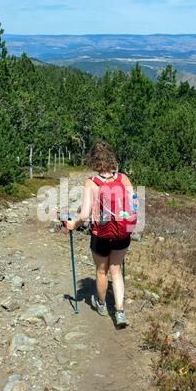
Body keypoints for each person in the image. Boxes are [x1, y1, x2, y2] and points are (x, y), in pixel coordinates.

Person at [67, 141, 135, 328]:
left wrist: (74, 223)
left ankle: (102, 304)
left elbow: (85, 215)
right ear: (111, 158)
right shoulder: (124, 179)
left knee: (101, 270)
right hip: (122, 233)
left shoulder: (92, 182)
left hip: (100, 233)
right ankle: (120, 312)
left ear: (93, 160)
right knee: (116, 269)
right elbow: (133, 205)